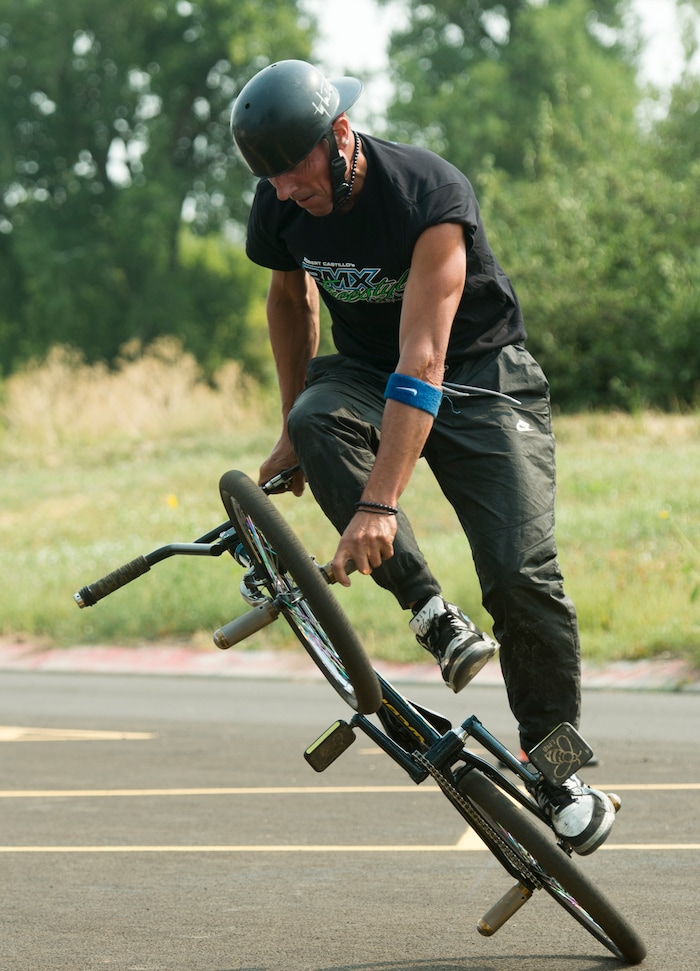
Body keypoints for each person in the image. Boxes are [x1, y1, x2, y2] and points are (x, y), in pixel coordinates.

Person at [230, 59, 616, 855]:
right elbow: (289, 298)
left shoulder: (429, 195)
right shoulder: (281, 204)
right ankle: (434, 614)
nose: (280, 192)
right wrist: (290, 428)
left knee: (523, 576)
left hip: (480, 378)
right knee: (315, 417)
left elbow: (425, 361)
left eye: (291, 173)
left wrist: (378, 504)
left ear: (341, 136)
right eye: (264, 178)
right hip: (366, 374)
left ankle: (562, 770)